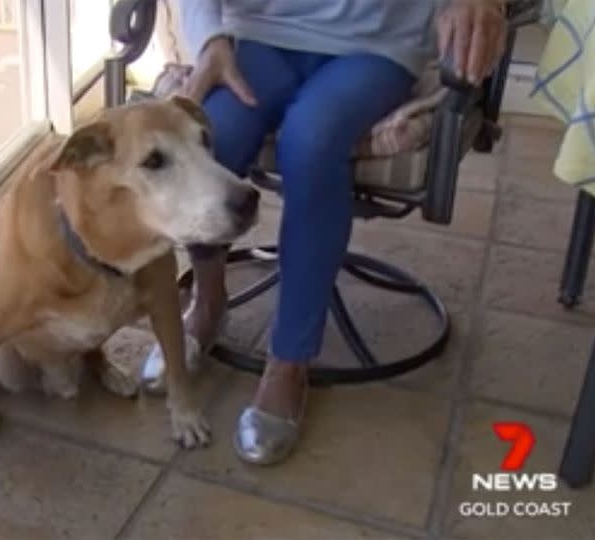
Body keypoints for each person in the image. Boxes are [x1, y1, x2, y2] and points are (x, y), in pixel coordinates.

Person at [141, 0, 507, 465]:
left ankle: (290, 360)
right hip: (259, 33)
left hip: (375, 43)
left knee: (310, 142)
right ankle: (209, 305)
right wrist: (211, 40)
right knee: (213, 140)